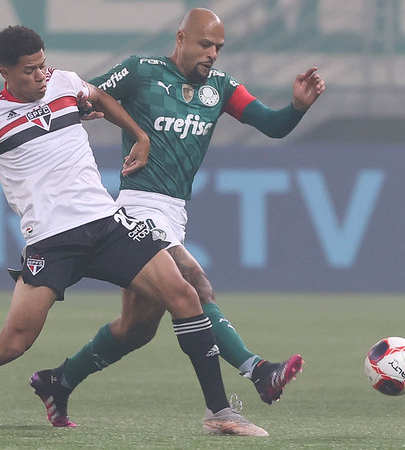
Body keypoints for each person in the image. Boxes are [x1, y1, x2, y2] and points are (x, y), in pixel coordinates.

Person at [0, 25, 267, 437]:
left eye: (43, 65)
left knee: (184, 295)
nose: (41, 75)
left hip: (105, 224)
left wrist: (139, 136)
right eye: (30, 70)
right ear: (4, 71)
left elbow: (99, 97)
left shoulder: (64, 82)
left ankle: (220, 411)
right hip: (51, 241)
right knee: (13, 344)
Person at [29, 7, 325, 431]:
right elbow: (90, 94)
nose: (213, 54)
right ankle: (258, 372)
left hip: (174, 214)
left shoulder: (220, 88)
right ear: (181, 38)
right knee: (194, 282)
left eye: (219, 47)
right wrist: (95, 113)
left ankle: (58, 381)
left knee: (136, 329)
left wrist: (296, 107)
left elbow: (272, 125)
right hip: (136, 208)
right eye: (205, 44)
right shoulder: (141, 71)